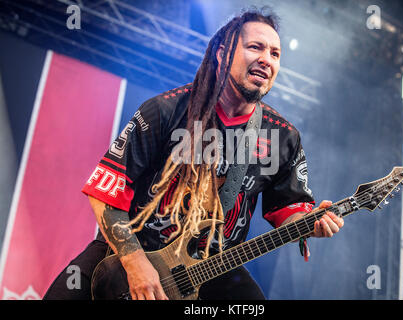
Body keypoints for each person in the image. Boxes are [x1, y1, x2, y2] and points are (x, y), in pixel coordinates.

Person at [44, 7, 344, 300]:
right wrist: (136, 264)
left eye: (275, 54)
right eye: (256, 47)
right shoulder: (164, 110)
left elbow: (289, 211)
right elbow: (104, 195)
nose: (267, 60)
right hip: (129, 254)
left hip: (212, 270)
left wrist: (311, 224)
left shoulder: (283, 137)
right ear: (223, 53)